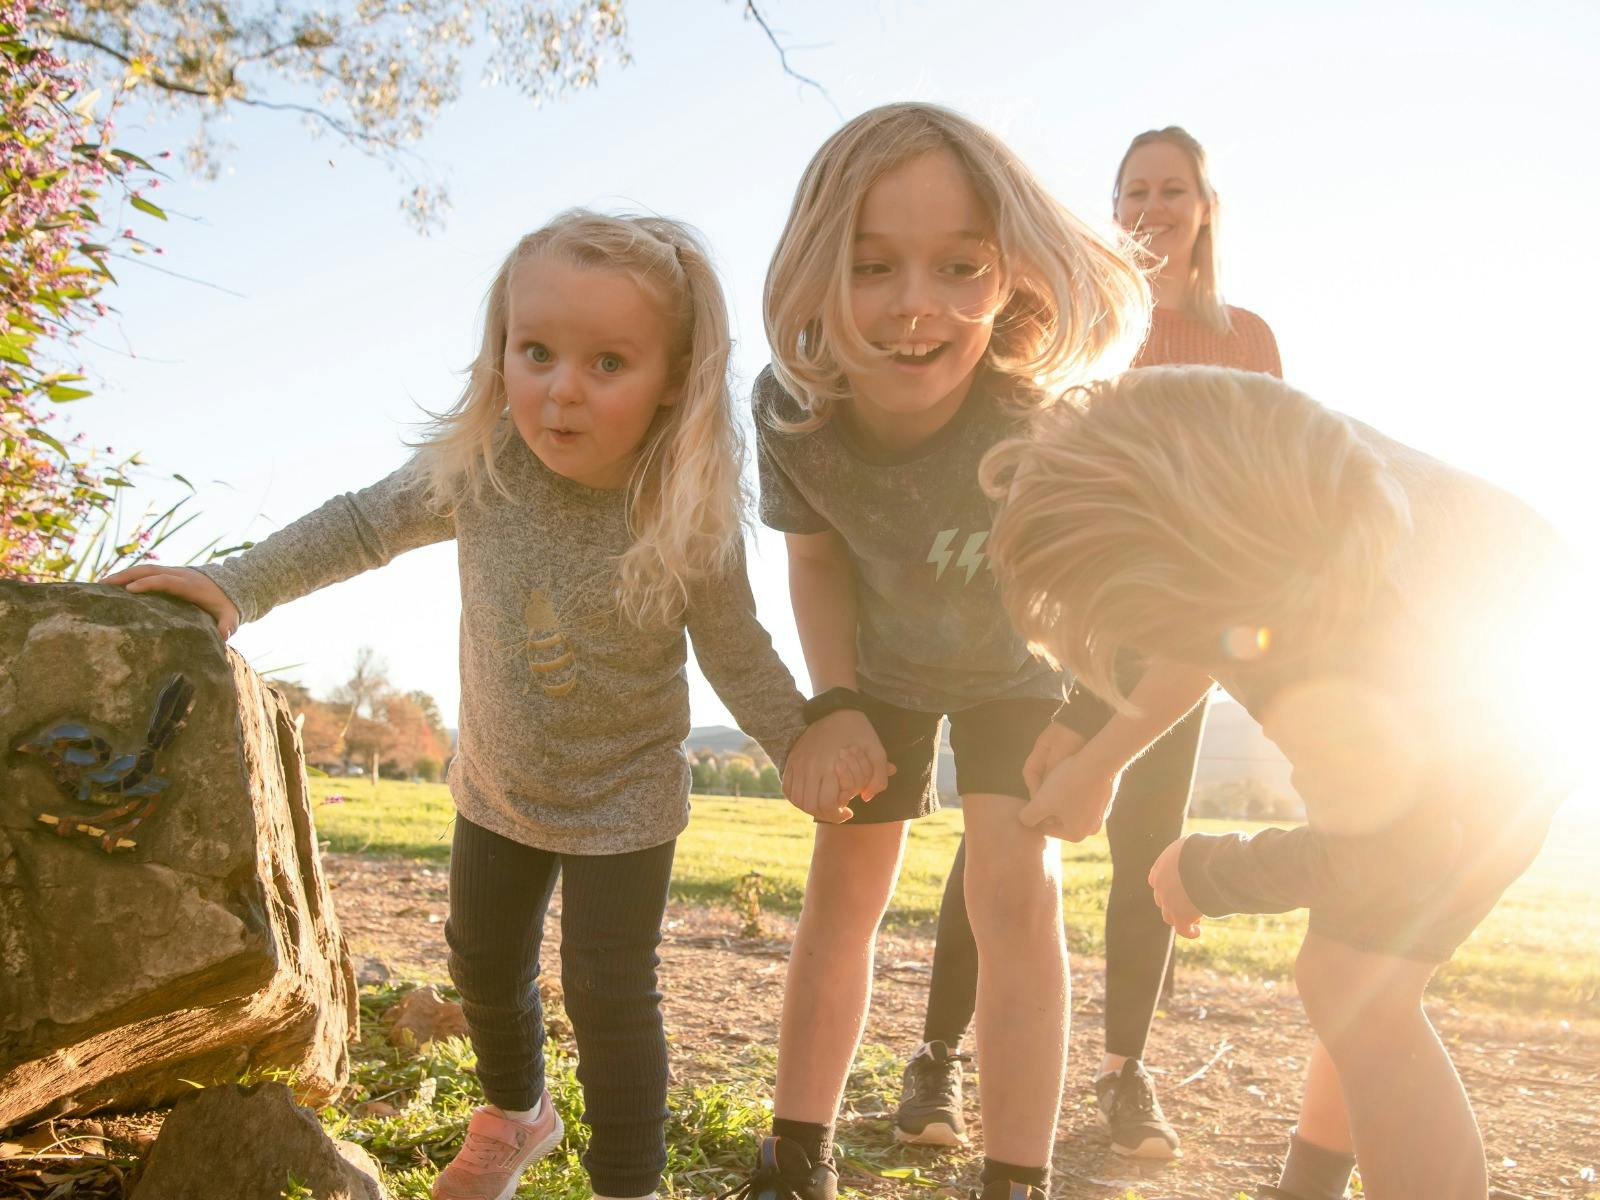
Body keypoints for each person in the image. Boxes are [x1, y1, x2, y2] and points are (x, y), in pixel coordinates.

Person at [106, 211, 875, 1200]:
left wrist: (795, 740)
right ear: (499, 352)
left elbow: (739, 654)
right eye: (536, 351)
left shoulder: (680, 512)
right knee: (480, 964)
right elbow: (360, 525)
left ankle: (627, 1186)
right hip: (500, 788)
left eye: (607, 363)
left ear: (673, 382)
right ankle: (518, 1117)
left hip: (626, 803)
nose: (561, 386)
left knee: (609, 995)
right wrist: (238, 584)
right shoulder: (481, 466)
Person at [984, 365, 1574, 1200]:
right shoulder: (1229, 438)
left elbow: (1388, 856)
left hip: (1496, 724)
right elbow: (1210, 624)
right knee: (1363, 967)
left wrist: (1210, 870)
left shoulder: (1341, 648)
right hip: (1509, 600)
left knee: (1352, 984)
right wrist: (1095, 748)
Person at [724, 102, 1149, 1200]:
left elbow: (1113, 594)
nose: (916, 307)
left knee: (1018, 889)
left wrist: (1095, 727)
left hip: (1021, 671)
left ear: (1008, 280)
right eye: (872, 267)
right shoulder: (792, 412)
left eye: (960, 266)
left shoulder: (1041, 421)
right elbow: (815, 564)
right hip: (888, 675)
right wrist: (837, 702)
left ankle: (1016, 1175)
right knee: (843, 891)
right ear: (816, 272)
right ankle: (796, 1153)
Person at [899, 124, 1282, 1161]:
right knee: (1008, 832)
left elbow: (1262, 489)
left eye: (1172, 190)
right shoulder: (1084, 323)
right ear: (1113, 210)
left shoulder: (1247, 339)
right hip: (1074, 617)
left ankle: (1123, 1075)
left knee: (1145, 842)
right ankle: (935, 1055)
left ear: (1205, 208)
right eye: (1133, 191)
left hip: (1186, 626)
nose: (1151, 207)